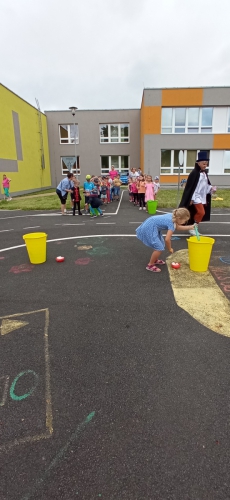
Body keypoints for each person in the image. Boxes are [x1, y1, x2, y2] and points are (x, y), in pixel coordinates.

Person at [136, 208, 195, 273]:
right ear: (179, 218)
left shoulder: (174, 216)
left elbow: (177, 227)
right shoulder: (171, 223)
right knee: (159, 248)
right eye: (184, 221)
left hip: (152, 225)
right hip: (149, 227)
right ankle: (150, 265)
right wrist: (170, 248)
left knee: (160, 245)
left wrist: (190, 227)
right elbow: (167, 239)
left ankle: (155, 259)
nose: (184, 223)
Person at [179, 151, 214, 235]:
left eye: (206, 164)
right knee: (201, 212)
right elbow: (191, 187)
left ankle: (194, 227)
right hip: (195, 196)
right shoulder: (194, 173)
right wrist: (191, 198)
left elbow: (205, 185)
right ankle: (192, 227)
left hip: (202, 196)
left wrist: (211, 188)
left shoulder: (205, 173)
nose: (205, 166)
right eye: (204, 164)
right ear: (198, 163)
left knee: (196, 212)